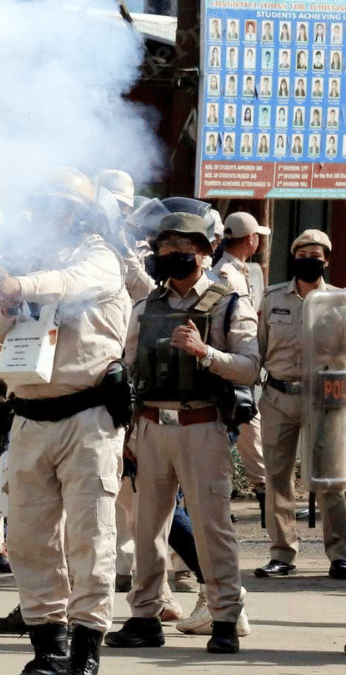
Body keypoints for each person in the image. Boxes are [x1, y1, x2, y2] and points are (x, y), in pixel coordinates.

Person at [0, 168, 129, 674]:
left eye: (53, 205)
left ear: (76, 212)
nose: (42, 215)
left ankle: (86, 652)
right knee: (28, 538)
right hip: (30, 417)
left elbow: (70, 285)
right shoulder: (29, 265)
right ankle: (48, 647)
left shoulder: (100, 257)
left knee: (89, 537)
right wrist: (5, 299)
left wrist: (23, 283)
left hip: (87, 415)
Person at [105, 212, 259, 655]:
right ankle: (145, 616)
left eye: (181, 245)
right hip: (152, 426)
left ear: (206, 250)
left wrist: (205, 352)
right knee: (147, 527)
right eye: (165, 246)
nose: (171, 253)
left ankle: (226, 617)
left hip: (202, 426)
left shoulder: (229, 302)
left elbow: (250, 366)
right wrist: (128, 435)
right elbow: (131, 367)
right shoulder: (146, 306)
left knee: (212, 528)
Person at [255, 230, 346, 581]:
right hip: (278, 397)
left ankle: (340, 554)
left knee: (331, 480)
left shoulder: (338, 302)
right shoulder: (272, 297)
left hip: (325, 401)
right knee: (277, 479)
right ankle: (282, 554)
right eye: (304, 253)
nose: (310, 259)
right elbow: (257, 350)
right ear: (294, 257)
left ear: (326, 260)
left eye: (317, 254)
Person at [212, 213, 270, 512]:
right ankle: (260, 492)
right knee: (235, 434)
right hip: (230, 370)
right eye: (257, 235)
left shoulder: (240, 270)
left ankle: (262, 491)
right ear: (251, 240)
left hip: (237, 368)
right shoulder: (226, 275)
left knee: (248, 431)